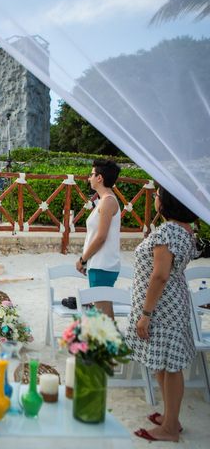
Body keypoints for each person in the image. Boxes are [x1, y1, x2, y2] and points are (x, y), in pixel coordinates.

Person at [126, 187, 198, 443]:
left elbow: (160, 275)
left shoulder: (168, 232)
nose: (155, 197)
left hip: (161, 308)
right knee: (164, 363)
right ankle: (171, 418)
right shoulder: (186, 229)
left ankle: (169, 427)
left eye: (157, 194)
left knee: (170, 366)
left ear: (166, 202)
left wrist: (145, 313)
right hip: (171, 305)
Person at [76, 159, 121, 319]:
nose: (89, 178)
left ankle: (112, 344)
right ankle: (110, 343)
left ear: (100, 178)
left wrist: (82, 259)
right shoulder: (105, 200)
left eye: (92, 174)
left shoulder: (108, 201)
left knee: (104, 317)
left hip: (103, 264)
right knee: (104, 312)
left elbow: (101, 237)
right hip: (100, 264)